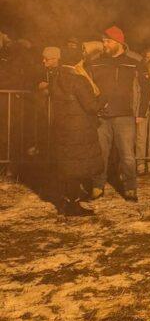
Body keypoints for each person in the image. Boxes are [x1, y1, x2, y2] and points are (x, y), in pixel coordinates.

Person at [88, 26, 150, 202]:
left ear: (118, 43)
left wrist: (141, 112)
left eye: (107, 41)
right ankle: (97, 186)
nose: (104, 44)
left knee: (127, 155)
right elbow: (87, 85)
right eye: (103, 41)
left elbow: (146, 88)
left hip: (125, 116)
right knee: (100, 154)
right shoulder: (96, 61)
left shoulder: (134, 61)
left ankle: (130, 188)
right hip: (101, 116)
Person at [51, 47, 106, 216]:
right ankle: (73, 205)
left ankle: (68, 200)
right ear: (77, 62)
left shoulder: (56, 78)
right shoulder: (78, 80)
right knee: (78, 165)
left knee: (69, 165)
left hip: (63, 127)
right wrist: (103, 101)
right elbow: (90, 106)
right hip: (80, 129)